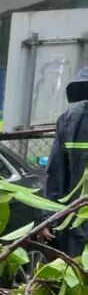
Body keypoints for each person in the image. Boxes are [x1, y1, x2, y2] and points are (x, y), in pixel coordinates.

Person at [45, 66, 88, 257]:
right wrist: (48, 217)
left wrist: (48, 217)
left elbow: (56, 174)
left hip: (76, 224)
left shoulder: (68, 120)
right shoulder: (68, 121)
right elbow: (56, 173)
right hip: (76, 223)